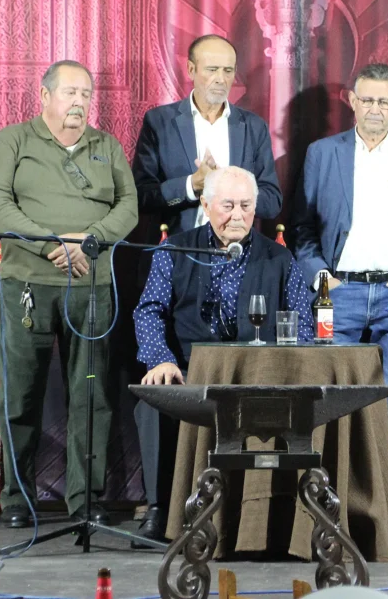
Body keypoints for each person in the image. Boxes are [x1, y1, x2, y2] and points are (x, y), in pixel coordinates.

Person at [0, 60, 138, 528]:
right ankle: (17, 500)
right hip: (27, 286)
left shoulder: (105, 145)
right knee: (21, 394)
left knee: (91, 396)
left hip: (91, 286)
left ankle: (84, 501)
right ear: (44, 96)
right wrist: (52, 244)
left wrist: (88, 241)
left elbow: (128, 206)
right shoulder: (14, 141)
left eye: (86, 94)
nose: (79, 102)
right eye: (70, 92)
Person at [131, 166, 314, 544]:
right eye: (227, 205)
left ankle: (264, 516)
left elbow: (304, 323)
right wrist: (159, 359)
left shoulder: (277, 258)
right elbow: (148, 310)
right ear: (206, 204)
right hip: (187, 371)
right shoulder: (175, 250)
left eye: (246, 206)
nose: (237, 215)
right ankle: (159, 509)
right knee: (152, 402)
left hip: (256, 375)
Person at [291, 63, 388, 451]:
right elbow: (302, 228)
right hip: (338, 294)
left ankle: (381, 507)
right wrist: (322, 278)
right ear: (352, 102)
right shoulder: (322, 154)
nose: (375, 108)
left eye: (384, 101)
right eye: (368, 100)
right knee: (328, 399)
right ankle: (327, 498)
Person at [132, 34, 283, 233]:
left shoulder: (254, 127)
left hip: (237, 251)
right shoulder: (159, 122)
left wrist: (231, 190)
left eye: (228, 71)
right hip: (178, 249)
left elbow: (272, 202)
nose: (221, 79)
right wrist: (192, 185)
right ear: (191, 70)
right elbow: (141, 196)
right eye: (212, 70)